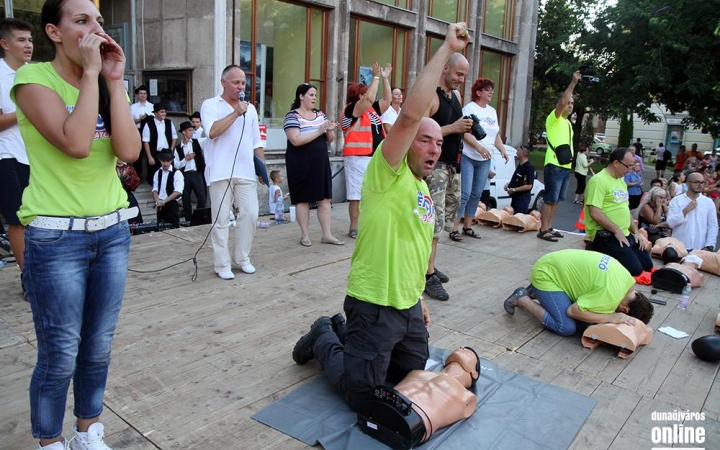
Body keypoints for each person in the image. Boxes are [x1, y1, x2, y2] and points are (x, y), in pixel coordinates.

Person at [291, 22, 470, 411]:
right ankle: (324, 333)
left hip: (406, 306)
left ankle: (343, 331)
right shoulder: (386, 171)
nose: (434, 149)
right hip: (372, 304)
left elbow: (416, 247)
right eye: (425, 140)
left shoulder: (423, 187)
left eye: (439, 142)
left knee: (407, 377)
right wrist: (445, 49)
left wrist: (419, 297)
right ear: (405, 144)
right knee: (363, 396)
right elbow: (409, 116)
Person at [12, 0, 140, 448]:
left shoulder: (106, 83)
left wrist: (115, 81)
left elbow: (128, 151)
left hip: (111, 232)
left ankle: (88, 432)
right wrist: (90, 76)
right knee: (60, 353)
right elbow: (76, 143)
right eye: (81, 21)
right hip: (55, 235)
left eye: (99, 22)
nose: (96, 31)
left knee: (98, 346)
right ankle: (50, 441)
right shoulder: (32, 80)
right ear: (54, 31)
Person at [200, 64, 264, 280]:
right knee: (221, 220)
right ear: (223, 82)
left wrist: (262, 170)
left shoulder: (251, 109)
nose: (241, 86)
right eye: (236, 82)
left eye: (243, 83)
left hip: (246, 170)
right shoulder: (210, 105)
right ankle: (222, 264)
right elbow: (212, 132)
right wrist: (236, 113)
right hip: (220, 171)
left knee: (250, 214)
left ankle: (242, 258)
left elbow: (257, 143)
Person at [503, 250, 654, 337]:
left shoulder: (627, 280)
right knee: (566, 327)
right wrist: (610, 317)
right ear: (625, 310)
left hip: (554, 263)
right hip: (546, 273)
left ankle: (538, 291)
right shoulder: (611, 297)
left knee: (588, 312)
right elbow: (573, 311)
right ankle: (522, 298)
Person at [423, 52, 473, 301]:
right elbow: (420, 132)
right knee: (434, 222)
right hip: (437, 167)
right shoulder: (431, 97)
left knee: (444, 221)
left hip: (454, 165)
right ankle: (427, 274)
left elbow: (459, 128)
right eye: (458, 74)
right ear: (445, 68)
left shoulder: (456, 96)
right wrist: (453, 128)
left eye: (464, 75)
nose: (461, 79)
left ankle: (428, 265)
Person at [284, 82, 344, 246]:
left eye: (315, 95)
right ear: (301, 96)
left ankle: (327, 234)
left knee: (324, 199)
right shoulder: (292, 116)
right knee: (302, 199)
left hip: (320, 162)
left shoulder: (320, 114)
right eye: (311, 95)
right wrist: (319, 130)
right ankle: (305, 235)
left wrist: (330, 129)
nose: (314, 98)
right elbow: (295, 140)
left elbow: (330, 140)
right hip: (300, 163)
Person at [449, 77, 508, 241]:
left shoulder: (492, 111)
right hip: (469, 156)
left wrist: (502, 150)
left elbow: (495, 135)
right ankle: (454, 228)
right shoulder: (470, 108)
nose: (491, 93)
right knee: (465, 193)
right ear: (478, 92)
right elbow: (464, 132)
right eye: (487, 90)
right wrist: (479, 147)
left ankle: (467, 226)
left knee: (477, 193)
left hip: (485, 160)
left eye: (491, 90)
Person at [341, 61, 392, 239]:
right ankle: (354, 226)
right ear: (357, 96)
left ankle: (370, 223)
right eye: (363, 93)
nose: (367, 95)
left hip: (374, 157)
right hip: (357, 158)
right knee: (356, 194)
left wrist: (385, 79)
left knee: (375, 192)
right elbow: (370, 99)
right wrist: (375, 77)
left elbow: (387, 100)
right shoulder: (351, 110)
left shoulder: (371, 110)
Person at [584, 148, 653, 276]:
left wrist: (636, 232)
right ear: (616, 163)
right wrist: (616, 230)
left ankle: (607, 252)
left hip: (624, 232)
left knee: (647, 265)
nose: (630, 169)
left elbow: (625, 210)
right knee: (635, 270)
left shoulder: (621, 180)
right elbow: (594, 212)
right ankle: (596, 249)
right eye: (628, 166)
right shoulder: (599, 181)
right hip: (606, 233)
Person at [0, 17, 33, 277]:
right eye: (21, 40)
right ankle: (27, 276)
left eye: (30, 39)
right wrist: (25, 109)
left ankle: (41, 271)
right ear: (5, 44)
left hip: (35, 155)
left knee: (40, 216)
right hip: (7, 155)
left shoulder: (33, 74)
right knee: (18, 218)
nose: (28, 45)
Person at [539, 71, 581, 242]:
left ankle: (549, 227)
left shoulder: (568, 124)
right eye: (568, 103)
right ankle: (543, 229)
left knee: (556, 200)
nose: (570, 105)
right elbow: (563, 100)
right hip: (554, 165)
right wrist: (573, 83)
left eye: (572, 103)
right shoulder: (554, 118)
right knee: (550, 199)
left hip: (564, 166)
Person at [667, 171, 718, 252]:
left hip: (700, 248)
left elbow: (713, 225)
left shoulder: (708, 202)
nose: (700, 185)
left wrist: (709, 246)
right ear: (688, 184)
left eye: (702, 182)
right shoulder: (677, 200)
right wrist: (685, 211)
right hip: (679, 247)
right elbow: (670, 223)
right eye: (697, 182)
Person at [173, 120, 206, 224]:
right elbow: (176, 165)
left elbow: (209, 139)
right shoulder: (178, 148)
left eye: (192, 130)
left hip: (197, 173)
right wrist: (185, 159)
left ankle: (199, 219)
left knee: (202, 197)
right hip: (185, 175)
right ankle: (188, 220)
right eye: (190, 130)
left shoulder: (197, 142)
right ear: (183, 132)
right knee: (186, 199)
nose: (192, 132)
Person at [141, 103, 177, 184]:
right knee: (154, 176)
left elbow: (174, 137)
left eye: (165, 112)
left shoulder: (169, 123)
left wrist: (171, 149)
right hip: (155, 153)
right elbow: (146, 141)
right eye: (162, 112)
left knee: (168, 176)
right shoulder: (149, 124)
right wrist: (149, 157)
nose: (164, 113)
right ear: (156, 113)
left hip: (167, 152)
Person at [152, 149, 184, 228]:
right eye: (163, 161)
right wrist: (157, 200)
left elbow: (178, 191)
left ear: (171, 161)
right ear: (160, 160)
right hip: (160, 205)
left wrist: (164, 201)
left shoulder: (177, 173)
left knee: (174, 227)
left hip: (172, 205)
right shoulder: (157, 173)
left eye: (168, 161)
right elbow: (155, 189)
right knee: (160, 228)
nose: (166, 163)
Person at [130, 84, 153, 178]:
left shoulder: (151, 106)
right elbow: (130, 121)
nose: (143, 95)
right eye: (141, 93)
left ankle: (150, 177)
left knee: (149, 154)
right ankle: (137, 177)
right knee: (138, 155)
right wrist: (140, 119)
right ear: (137, 95)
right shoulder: (133, 107)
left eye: (145, 93)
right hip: (137, 131)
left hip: (149, 132)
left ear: (147, 95)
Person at [504, 145, 534, 214]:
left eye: (518, 151)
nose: (516, 153)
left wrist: (514, 190)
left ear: (523, 153)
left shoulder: (528, 167)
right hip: (515, 197)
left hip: (522, 199)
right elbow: (518, 180)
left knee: (518, 218)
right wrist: (509, 185)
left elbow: (529, 186)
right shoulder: (520, 165)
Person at [116, 160, 143, 225]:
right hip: (114, 197)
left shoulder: (130, 169)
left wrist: (125, 178)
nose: (119, 160)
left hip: (127, 195)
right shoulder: (110, 169)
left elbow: (135, 185)